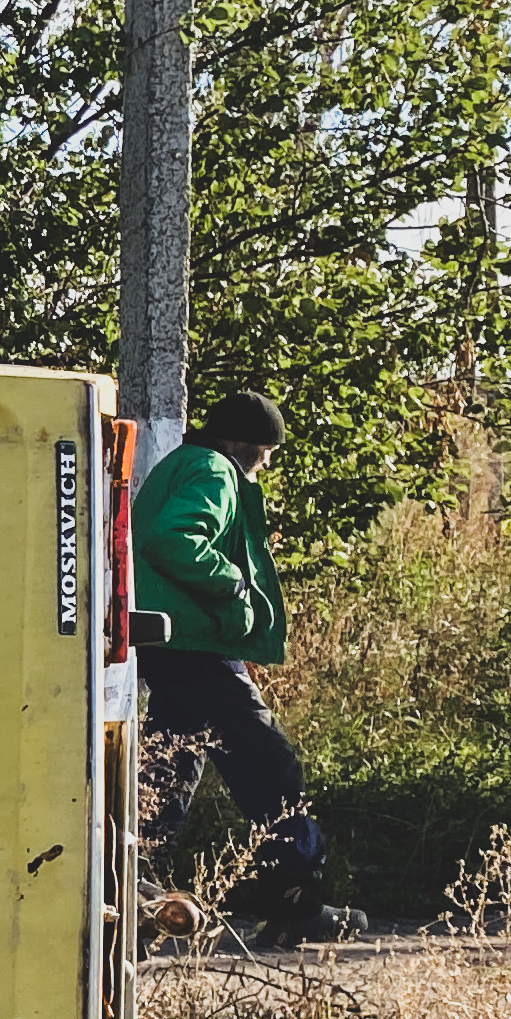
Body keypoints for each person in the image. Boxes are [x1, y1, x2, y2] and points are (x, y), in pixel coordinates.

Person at [132, 390, 361, 943]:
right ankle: (297, 909)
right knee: (272, 767)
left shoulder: (186, 463)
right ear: (247, 444)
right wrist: (233, 585)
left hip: (172, 644)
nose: (268, 462)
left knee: (166, 775)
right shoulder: (213, 469)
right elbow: (173, 537)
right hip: (196, 643)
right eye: (267, 450)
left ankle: (135, 908)